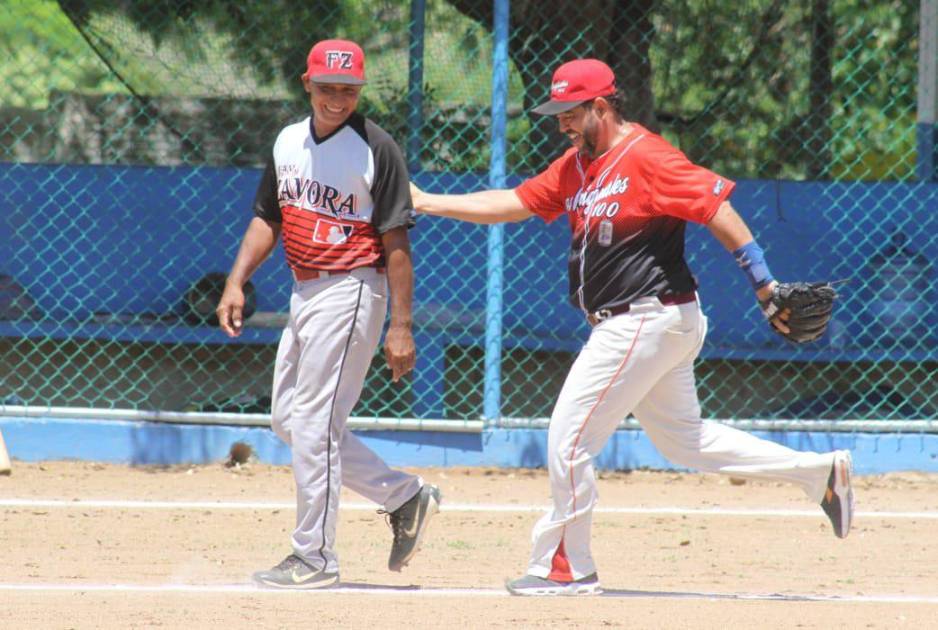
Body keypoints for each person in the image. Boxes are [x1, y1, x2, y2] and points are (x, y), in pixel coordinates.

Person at [410, 58, 854, 597]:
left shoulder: (647, 155)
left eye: (570, 113)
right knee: (686, 442)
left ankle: (565, 567)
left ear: (600, 106)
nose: (561, 124)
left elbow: (715, 207)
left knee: (569, 438)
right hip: (651, 322)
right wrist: (427, 201)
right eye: (557, 114)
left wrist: (764, 283)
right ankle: (818, 473)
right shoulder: (577, 165)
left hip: (644, 318)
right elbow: (515, 201)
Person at [217, 38, 441, 589]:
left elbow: (396, 241)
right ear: (307, 84)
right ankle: (403, 496)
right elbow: (268, 218)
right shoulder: (287, 141)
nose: (337, 99)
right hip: (305, 291)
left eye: (348, 89)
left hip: (353, 288)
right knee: (290, 422)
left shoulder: (376, 148)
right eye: (327, 88)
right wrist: (236, 280)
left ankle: (315, 558)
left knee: (315, 423)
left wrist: (401, 326)